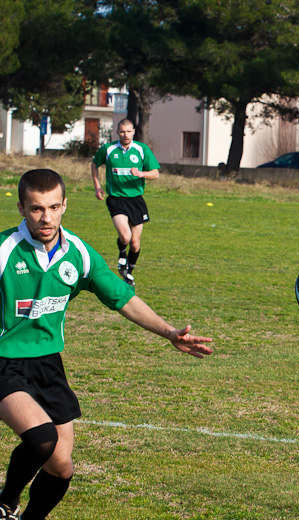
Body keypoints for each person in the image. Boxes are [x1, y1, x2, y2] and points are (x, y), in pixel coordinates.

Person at [0, 169, 213, 520]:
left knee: (61, 468)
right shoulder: (6, 250)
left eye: (54, 207)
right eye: (37, 209)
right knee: (41, 438)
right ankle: (6, 501)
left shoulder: (78, 254)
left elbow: (123, 298)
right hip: (5, 363)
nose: (47, 217)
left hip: (49, 365)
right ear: (22, 208)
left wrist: (170, 332)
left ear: (65, 205)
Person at [91, 118, 160, 287]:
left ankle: (129, 273)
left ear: (134, 131)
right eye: (122, 131)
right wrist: (97, 186)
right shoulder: (108, 149)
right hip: (117, 199)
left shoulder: (141, 149)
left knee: (135, 244)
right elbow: (94, 164)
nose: (125, 134)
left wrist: (141, 174)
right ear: (117, 132)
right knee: (125, 236)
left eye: (128, 131)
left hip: (136, 200)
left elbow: (155, 173)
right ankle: (122, 253)